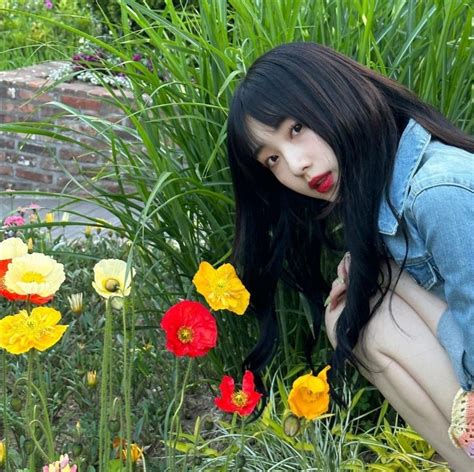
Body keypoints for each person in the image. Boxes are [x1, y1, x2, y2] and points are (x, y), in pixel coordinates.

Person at [226, 42, 473, 469]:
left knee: (368, 309)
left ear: (334, 90)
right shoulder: (389, 195)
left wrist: (400, 284)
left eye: (296, 128)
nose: (296, 165)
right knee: (352, 321)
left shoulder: (436, 193)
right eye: (272, 159)